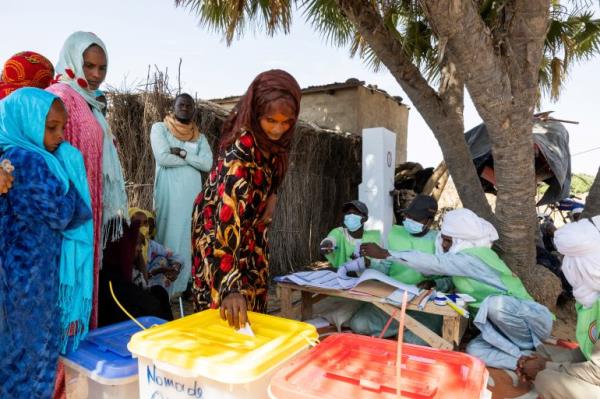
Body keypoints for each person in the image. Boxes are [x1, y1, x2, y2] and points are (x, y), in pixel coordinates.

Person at [361, 208, 553, 370]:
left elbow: (435, 263)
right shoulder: (463, 259)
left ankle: (530, 349)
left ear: (461, 240)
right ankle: (524, 361)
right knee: (473, 351)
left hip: (530, 324)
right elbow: (458, 279)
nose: (443, 245)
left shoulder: (474, 256)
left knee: (496, 304)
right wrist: (437, 284)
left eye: (447, 240)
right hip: (499, 328)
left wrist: (386, 253)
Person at [0, 88, 92, 397]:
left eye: (62, 128)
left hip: (17, 281)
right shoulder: (29, 160)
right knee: (31, 364)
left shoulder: (9, 156)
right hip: (30, 286)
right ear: (26, 123)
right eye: (51, 127)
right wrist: (73, 185)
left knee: (13, 363)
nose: (60, 136)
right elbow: (65, 213)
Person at [191, 69, 301, 329]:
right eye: (271, 120)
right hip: (219, 234)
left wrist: (272, 192)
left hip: (249, 231)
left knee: (253, 304)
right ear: (256, 113)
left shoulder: (272, 146)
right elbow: (224, 221)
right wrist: (229, 287)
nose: (278, 129)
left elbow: (273, 172)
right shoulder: (240, 157)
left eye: (286, 122)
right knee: (225, 312)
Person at [47, 31, 128, 329]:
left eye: (101, 68)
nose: (95, 74)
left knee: (84, 289)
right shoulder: (59, 97)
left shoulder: (92, 103)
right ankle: (62, 374)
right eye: (89, 65)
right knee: (66, 290)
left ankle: (78, 371)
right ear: (72, 59)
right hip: (67, 219)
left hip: (88, 213)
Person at [517, 216, 600, 398]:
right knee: (542, 351)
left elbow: (597, 372)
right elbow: (589, 352)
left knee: (546, 379)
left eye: (572, 259)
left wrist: (544, 366)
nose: (565, 266)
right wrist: (542, 361)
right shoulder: (593, 298)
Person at [349, 195, 445, 341]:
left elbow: (450, 279)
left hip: (424, 305)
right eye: (408, 216)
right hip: (392, 298)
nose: (409, 221)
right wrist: (369, 264)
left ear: (429, 221)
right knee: (359, 324)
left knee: (415, 340)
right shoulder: (396, 233)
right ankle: (400, 327)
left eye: (416, 219)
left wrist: (435, 284)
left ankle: (402, 329)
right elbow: (385, 266)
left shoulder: (440, 241)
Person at [151, 93, 213, 297]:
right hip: (169, 195)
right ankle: (164, 287)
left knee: (190, 237)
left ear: (193, 109)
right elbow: (162, 157)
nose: (185, 108)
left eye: (189, 105)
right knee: (169, 234)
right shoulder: (160, 128)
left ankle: (187, 285)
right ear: (173, 107)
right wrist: (192, 160)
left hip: (192, 196)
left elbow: (207, 164)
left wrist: (183, 153)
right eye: (181, 104)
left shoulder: (199, 137)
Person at [98, 219, 173, 327]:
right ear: (120, 246)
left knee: (159, 292)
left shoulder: (127, 271)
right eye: (133, 244)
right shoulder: (111, 281)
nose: (138, 249)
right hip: (124, 333)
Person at [129, 207, 183, 297]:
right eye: (138, 223)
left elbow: (176, 256)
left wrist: (175, 268)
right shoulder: (123, 245)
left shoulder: (150, 244)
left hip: (147, 284)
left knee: (162, 260)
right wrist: (158, 271)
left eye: (146, 223)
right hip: (131, 289)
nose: (144, 227)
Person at [319, 200, 382, 268]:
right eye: (348, 213)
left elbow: (382, 267)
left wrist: (368, 262)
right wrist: (326, 244)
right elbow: (331, 239)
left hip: (367, 277)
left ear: (365, 218)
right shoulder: (339, 233)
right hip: (341, 276)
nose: (350, 216)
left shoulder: (374, 238)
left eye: (355, 213)